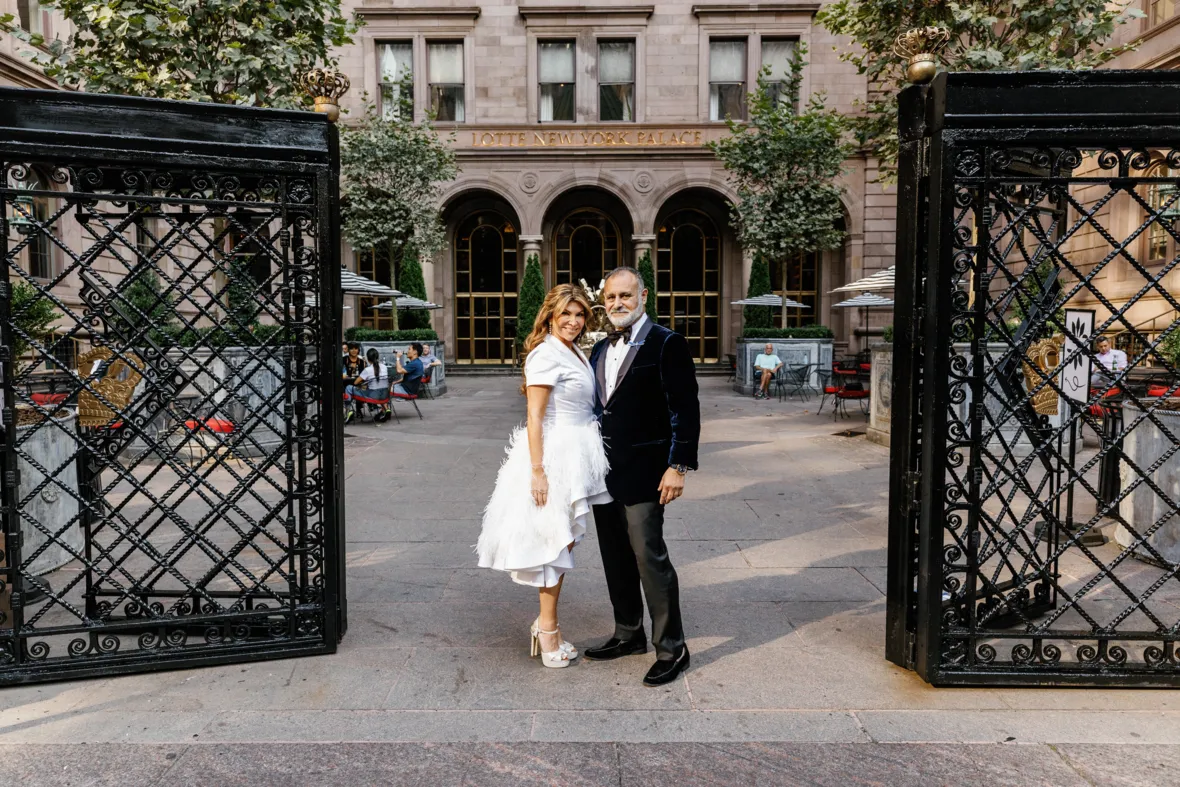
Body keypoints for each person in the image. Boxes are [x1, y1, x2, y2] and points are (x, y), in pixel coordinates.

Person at [477, 284, 610, 669]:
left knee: (564, 545)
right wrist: (538, 472)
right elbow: (534, 416)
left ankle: (545, 624)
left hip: (578, 454)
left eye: (580, 314)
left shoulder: (573, 351)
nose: (573, 321)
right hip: (554, 457)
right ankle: (547, 629)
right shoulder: (544, 354)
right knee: (556, 544)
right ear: (550, 316)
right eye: (566, 314)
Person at [586, 266, 699, 687]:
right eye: (611, 297)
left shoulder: (667, 343)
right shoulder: (599, 349)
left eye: (625, 296)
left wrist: (679, 466)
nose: (617, 303)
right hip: (602, 475)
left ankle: (673, 648)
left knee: (649, 558)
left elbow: (685, 410)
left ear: (643, 296)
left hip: (649, 474)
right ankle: (628, 633)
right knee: (615, 557)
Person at [345, 348, 391, 422]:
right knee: (376, 388)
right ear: (378, 357)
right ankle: (386, 409)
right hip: (385, 395)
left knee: (348, 388)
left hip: (372, 396)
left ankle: (348, 410)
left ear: (368, 359)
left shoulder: (367, 370)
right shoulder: (384, 367)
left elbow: (356, 382)